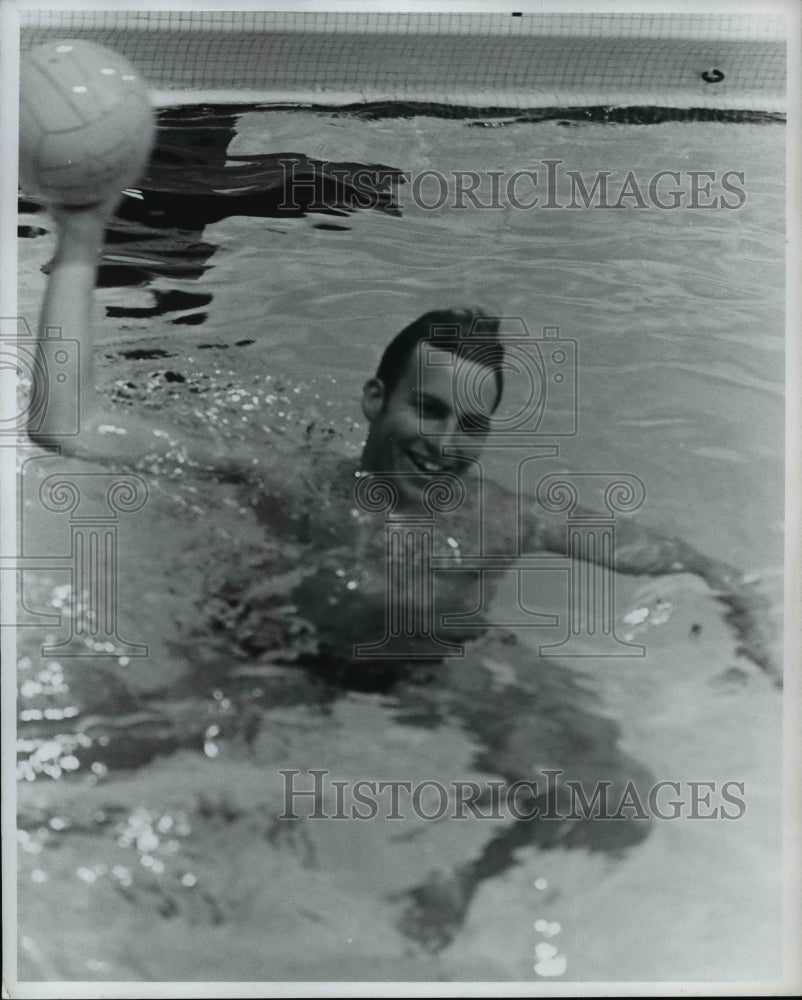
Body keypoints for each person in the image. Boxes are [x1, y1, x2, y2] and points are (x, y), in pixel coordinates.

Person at [26, 198, 779, 950]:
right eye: (428, 408)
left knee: (614, 797)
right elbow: (65, 426)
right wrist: (83, 241)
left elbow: (693, 560)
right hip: (280, 657)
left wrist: (752, 628)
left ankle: (459, 887)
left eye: (471, 424)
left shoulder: (508, 518)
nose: (445, 442)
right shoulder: (291, 482)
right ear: (375, 400)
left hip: (433, 666)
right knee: (110, 772)